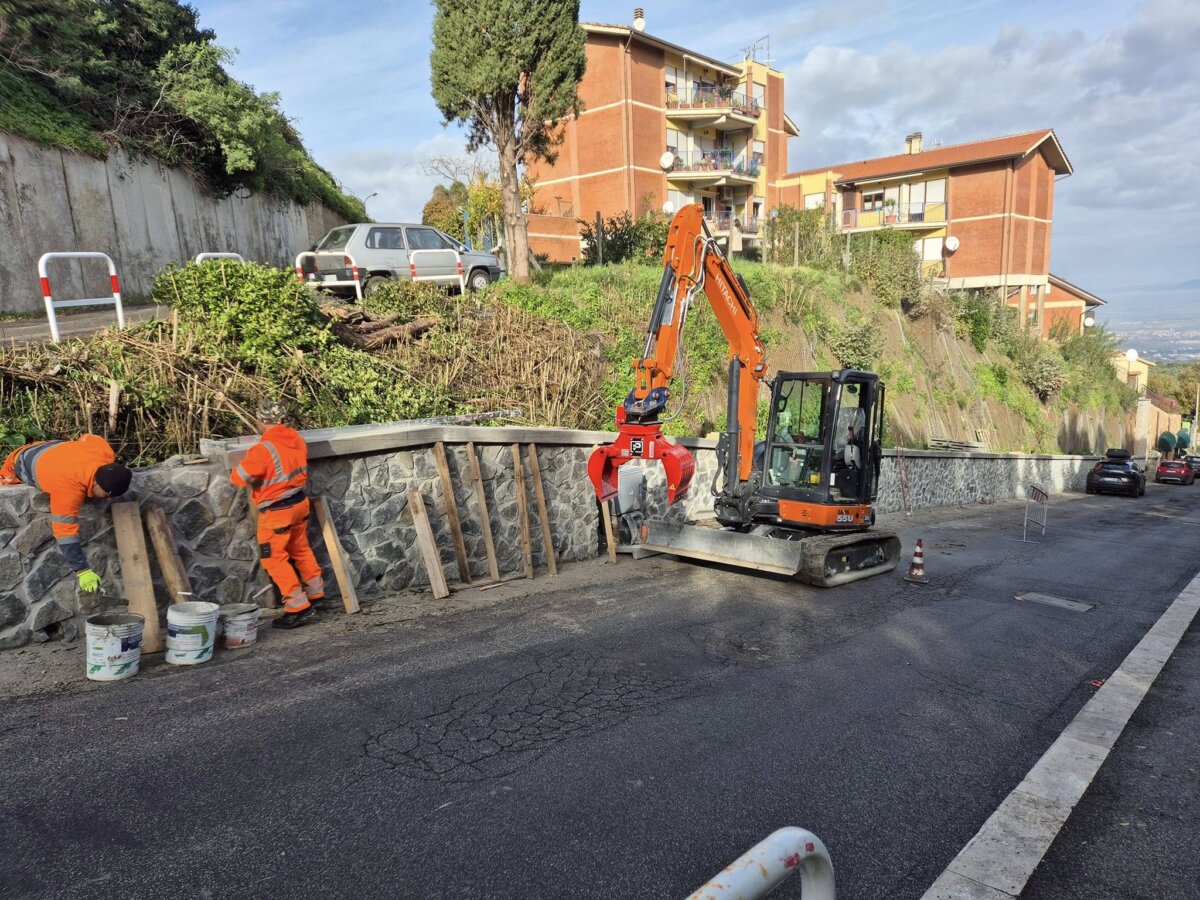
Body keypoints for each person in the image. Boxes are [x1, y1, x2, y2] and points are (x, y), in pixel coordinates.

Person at [231, 401, 325, 629]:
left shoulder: (263, 449)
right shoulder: (296, 439)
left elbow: (239, 478)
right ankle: (316, 595)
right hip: (299, 504)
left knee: (273, 559)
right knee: (300, 550)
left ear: (262, 421)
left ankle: (298, 608)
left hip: (277, 512)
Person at [0, 434, 132, 593]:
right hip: (20, 462)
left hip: (55, 449)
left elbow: (89, 437)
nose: (109, 499)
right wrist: (82, 570)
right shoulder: (68, 488)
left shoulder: (105, 454)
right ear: (96, 482)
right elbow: (64, 531)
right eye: (107, 494)